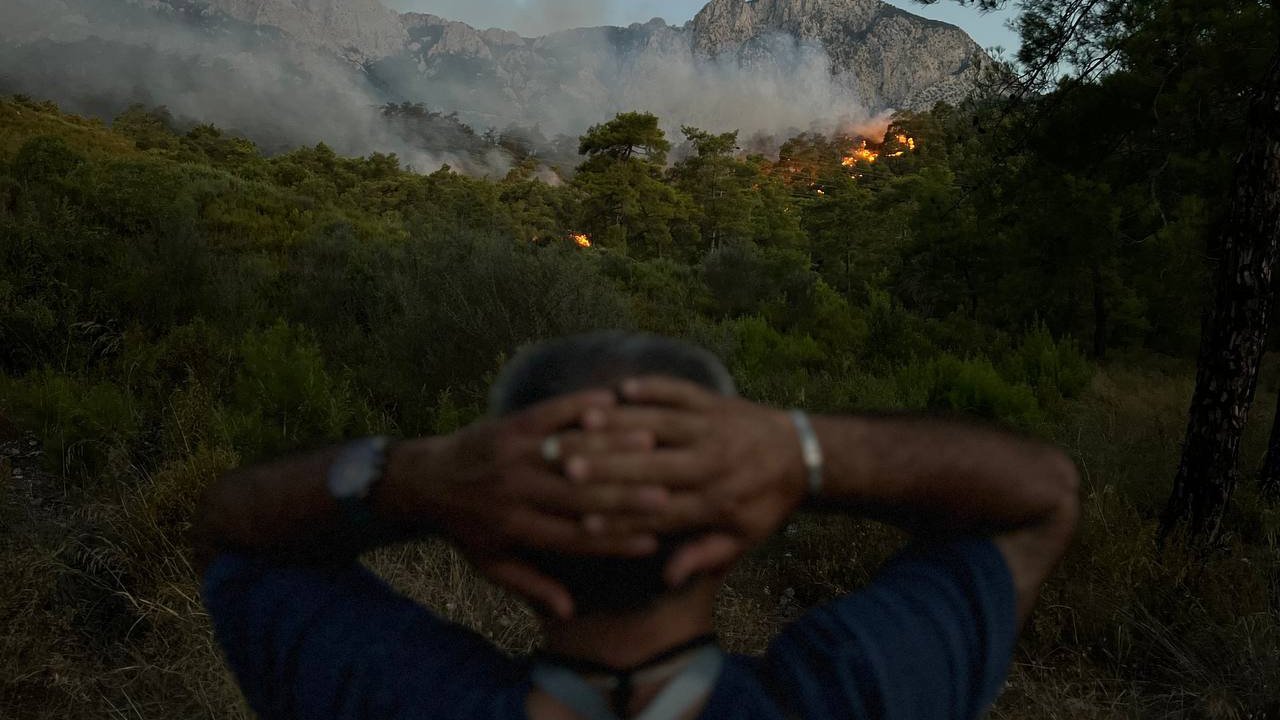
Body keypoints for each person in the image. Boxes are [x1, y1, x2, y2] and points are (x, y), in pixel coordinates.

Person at [197, 332, 1079, 720]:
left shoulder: (388, 698)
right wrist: (801, 452)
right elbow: (1039, 495)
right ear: (730, 539)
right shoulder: (858, 695)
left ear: (503, 553)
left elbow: (234, 530)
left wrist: (416, 478)